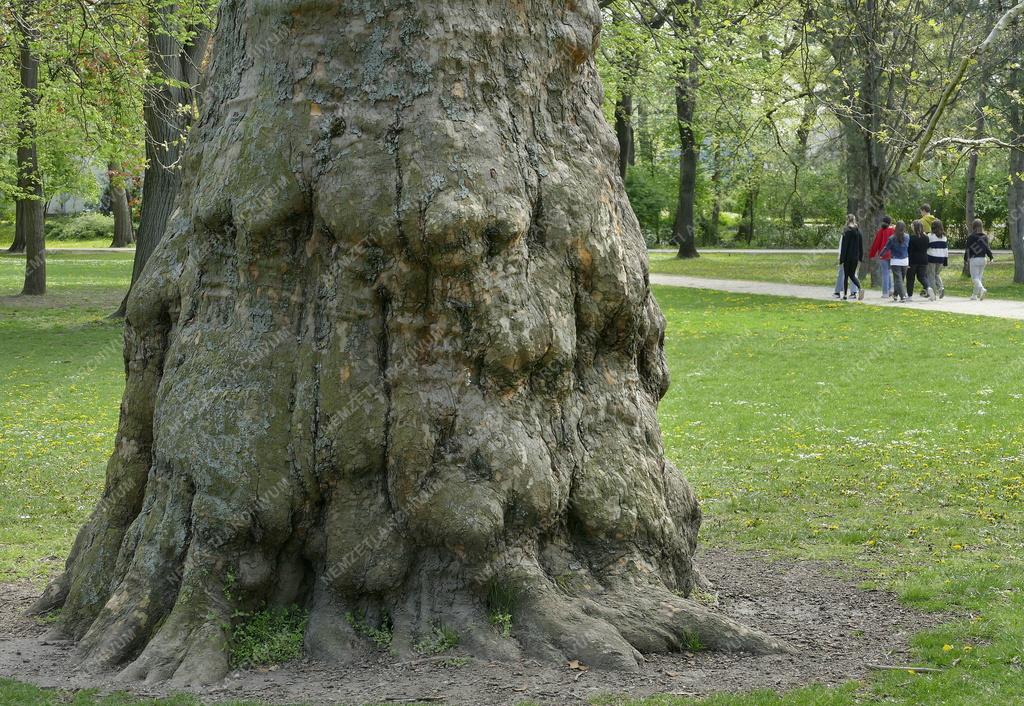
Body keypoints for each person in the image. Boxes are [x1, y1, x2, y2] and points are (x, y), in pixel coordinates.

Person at [965, 219, 995, 300]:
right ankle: (974, 295)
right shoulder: (984, 237)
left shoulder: (971, 237)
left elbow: (967, 249)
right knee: (978, 278)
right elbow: (987, 248)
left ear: (973, 226)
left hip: (974, 259)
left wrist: (966, 259)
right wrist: (991, 257)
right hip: (983, 259)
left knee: (974, 278)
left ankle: (982, 289)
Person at [880, 221, 910, 302]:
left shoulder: (892, 238)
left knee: (898, 280)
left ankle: (902, 296)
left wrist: (881, 254)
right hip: (905, 260)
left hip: (895, 261)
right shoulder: (907, 236)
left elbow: (886, 248)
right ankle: (895, 295)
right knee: (900, 279)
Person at [906, 220, 936, 301]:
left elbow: (909, 251)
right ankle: (928, 287)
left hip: (913, 260)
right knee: (922, 277)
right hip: (924, 259)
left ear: (914, 228)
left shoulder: (911, 238)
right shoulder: (926, 238)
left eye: (912, 226)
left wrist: (908, 262)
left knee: (910, 278)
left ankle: (910, 296)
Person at [869, 216, 895, 299]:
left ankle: (885, 293)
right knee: (890, 273)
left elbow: (876, 243)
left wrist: (872, 254)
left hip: (883, 254)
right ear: (890, 222)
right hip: (892, 255)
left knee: (885, 273)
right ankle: (891, 289)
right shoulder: (893, 231)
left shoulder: (881, 231)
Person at [839, 214, 864, 300]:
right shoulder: (858, 232)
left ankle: (845, 295)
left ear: (847, 220)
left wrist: (841, 259)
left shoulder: (846, 232)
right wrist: (860, 257)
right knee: (852, 275)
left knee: (846, 276)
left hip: (847, 257)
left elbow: (844, 247)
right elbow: (861, 246)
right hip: (855, 257)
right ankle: (860, 288)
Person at [927, 219, 949, 299]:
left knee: (931, 275)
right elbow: (946, 250)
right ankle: (941, 287)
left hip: (931, 258)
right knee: (937, 274)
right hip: (941, 259)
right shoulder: (944, 237)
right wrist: (945, 260)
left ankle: (933, 293)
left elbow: (927, 247)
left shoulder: (930, 236)